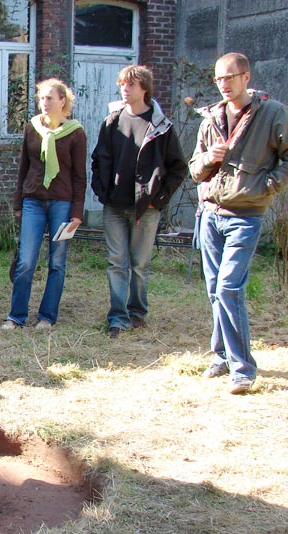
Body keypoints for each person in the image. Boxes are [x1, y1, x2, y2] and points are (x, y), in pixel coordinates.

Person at [190, 52, 288, 394]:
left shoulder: (272, 113)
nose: (223, 84)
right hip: (211, 213)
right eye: (218, 79)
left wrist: (264, 187)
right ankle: (221, 356)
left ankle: (243, 368)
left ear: (246, 77)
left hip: (246, 215)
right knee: (214, 290)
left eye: (230, 77)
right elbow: (195, 168)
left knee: (229, 288)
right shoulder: (211, 118)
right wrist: (210, 158)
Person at [91, 65, 188, 339]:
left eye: (130, 84)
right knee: (116, 262)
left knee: (140, 265)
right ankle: (118, 317)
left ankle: (137, 313)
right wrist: (102, 191)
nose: (124, 88)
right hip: (114, 205)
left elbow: (178, 167)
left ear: (144, 88)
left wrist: (158, 200)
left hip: (146, 209)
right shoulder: (112, 121)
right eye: (122, 83)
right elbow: (98, 159)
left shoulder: (161, 126)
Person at [1, 78, 87, 332]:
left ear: (63, 101)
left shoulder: (75, 132)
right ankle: (16, 317)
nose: (44, 103)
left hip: (62, 201)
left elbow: (79, 176)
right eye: (41, 98)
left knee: (57, 262)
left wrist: (77, 211)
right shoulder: (32, 128)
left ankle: (47, 317)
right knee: (26, 261)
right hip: (33, 201)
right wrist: (19, 200)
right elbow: (23, 168)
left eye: (50, 98)